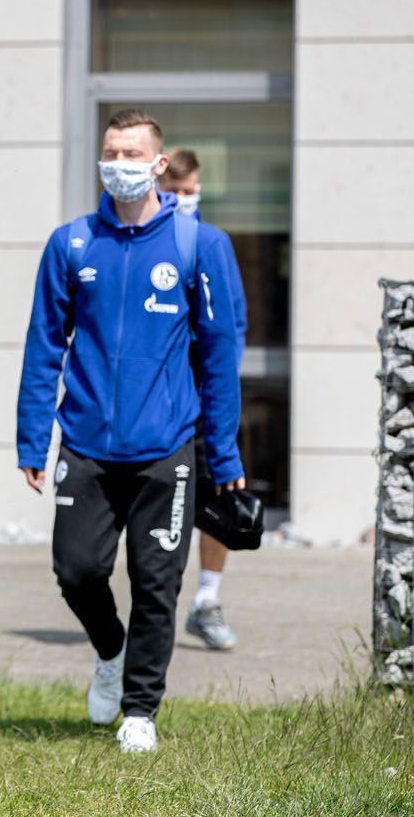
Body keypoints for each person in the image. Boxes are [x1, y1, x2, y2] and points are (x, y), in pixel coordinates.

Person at [15, 110, 245, 754]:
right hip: (85, 443)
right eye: (111, 151)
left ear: (159, 163)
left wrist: (222, 456)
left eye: (132, 151)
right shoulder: (72, 244)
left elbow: (220, 358)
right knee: (76, 570)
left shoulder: (200, 244)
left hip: (166, 448)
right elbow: (42, 347)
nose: (119, 161)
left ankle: (140, 709)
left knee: (156, 582)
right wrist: (33, 439)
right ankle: (110, 652)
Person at [158, 149, 249, 652]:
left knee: (220, 498)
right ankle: (156, 611)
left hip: (207, 398)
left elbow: (234, 321)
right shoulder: (145, 244)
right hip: (162, 401)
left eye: (193, 191)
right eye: (177, 192)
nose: (185, 200)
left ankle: (206, 601)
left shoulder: (213, 245)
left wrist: (218, 375)